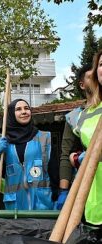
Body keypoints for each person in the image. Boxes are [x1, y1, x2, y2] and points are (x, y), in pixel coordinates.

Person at [0, 99, 58, 210]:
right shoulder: (5, 142)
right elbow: (3, 174)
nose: (24, 112)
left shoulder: (44, 137)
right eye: (18, 109)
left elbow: (54, 171)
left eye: (26, 108)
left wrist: (58, 195)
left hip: (42, 205)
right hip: (15, 207)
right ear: (11, 115)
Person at [71, 50, 102, 225]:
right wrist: (78, 158)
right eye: (101, 64)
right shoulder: (81, 116)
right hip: (94, 197)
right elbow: (71, 153)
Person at [57, 64, 92, 210]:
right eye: (91, 77)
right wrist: (64, 190)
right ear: (82, 85)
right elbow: (66, 155)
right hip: (87, 185)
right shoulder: (74, 117)